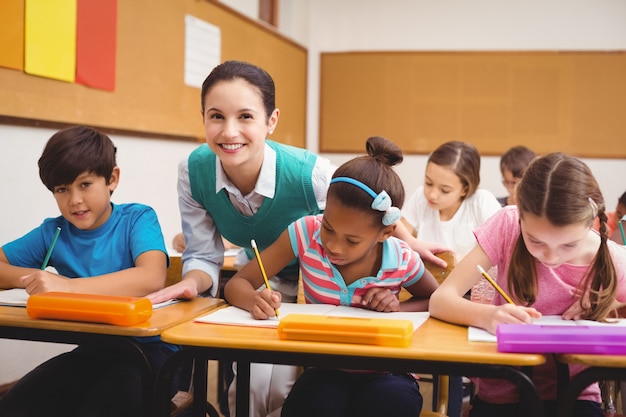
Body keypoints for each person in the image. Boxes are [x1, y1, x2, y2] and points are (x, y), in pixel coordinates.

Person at [146, 60, 450, 417]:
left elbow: (366, 207)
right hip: (288, 310)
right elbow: (211, 261)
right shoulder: (304, 230)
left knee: (376, 401)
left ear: (271, 120)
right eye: (216, 116)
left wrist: (407, 244)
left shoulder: (316, 176)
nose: (229, 131)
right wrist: (219, 290)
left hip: (370, 353)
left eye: (245, 116)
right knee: (274, 393)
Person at [225, 135, 439, 417]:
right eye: (328, 228)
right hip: (324, 369)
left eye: (352, 241)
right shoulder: (306, 232)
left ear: (385, 233)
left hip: (388, 371)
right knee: (315, 404)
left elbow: (435, 299)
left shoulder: (400, 257)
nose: (334, 246)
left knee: (386, 404)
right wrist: (254, 300)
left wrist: (399, 307)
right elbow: (236, 284)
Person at [429, 152, 626, 417]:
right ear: (520, 214)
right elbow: (441, 300)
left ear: (591, 221)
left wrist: (605, 302)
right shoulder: (507, 224)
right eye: (535, 241)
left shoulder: (609, 256)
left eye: (569, 245)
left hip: (576, 395)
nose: (551, 257)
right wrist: (489, 316)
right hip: (502, 391)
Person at [0, 125, 171, 417]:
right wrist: (34, 279)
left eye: (85, 184)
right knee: (14, 406)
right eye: (62, 189)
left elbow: (151, 277)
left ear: (112, 179)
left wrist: (65, 287)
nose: (74, 200)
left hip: (151, 356)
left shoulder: (137, 218)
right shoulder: (53, 232)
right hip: (94, 353)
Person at [401, 140, 502, 417]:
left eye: (444, 190)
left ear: (465, 189)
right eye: (428, 182)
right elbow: (397, 231)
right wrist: (411, 241)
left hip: (471, 300)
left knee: (455, 359)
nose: (432, 194)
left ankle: (457, 403)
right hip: (426, 296)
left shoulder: (481, 203)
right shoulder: (420, 200)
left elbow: (501, 249)